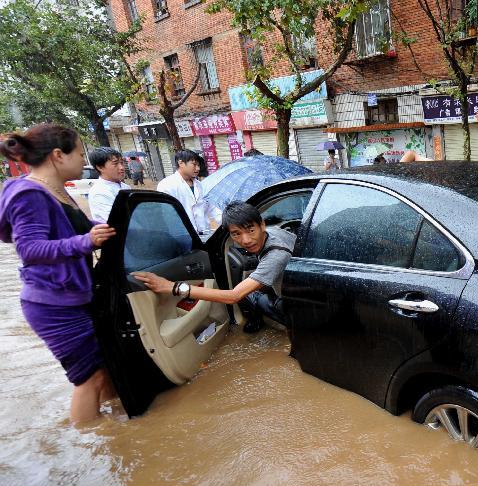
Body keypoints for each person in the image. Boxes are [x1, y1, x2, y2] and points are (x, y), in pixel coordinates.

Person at [0, 124, 117, 424]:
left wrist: (96, 229)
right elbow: (30, 248)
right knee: (88, 378)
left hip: (74, 296)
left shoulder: (57, 191)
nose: (83, 161)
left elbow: (73, 228)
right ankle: (90, 442)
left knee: (102, 371)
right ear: (57, 156)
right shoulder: (30, 194)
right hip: (53, 305)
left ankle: (115, 430)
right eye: (80, 154)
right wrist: (86, 242)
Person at [133, 202, 295, 334]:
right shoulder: (275, 233)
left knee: (248, 293)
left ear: (262, 225)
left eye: (251, 230)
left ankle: (261, 321)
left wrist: (173, 287)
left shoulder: (275, 255)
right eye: (236, 233)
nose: (245, 240)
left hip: (300, 308)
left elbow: (233, 296)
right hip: (300, 289)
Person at [157, 149, 220, 235]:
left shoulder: (200, 185)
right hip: (183, 236)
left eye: (198, 165)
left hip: (204, 234)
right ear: (181, 163)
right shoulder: (167, 185)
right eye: (194, 165)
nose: (197, 168)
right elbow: (168, 216)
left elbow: (211, 207)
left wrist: (226, 223)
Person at [87, 147, 130, 223]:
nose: (122, 167)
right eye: (115, 164)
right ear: (100, 167)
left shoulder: (125, 187)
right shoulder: (99, 192)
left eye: (122, 163)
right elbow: (118, 221)